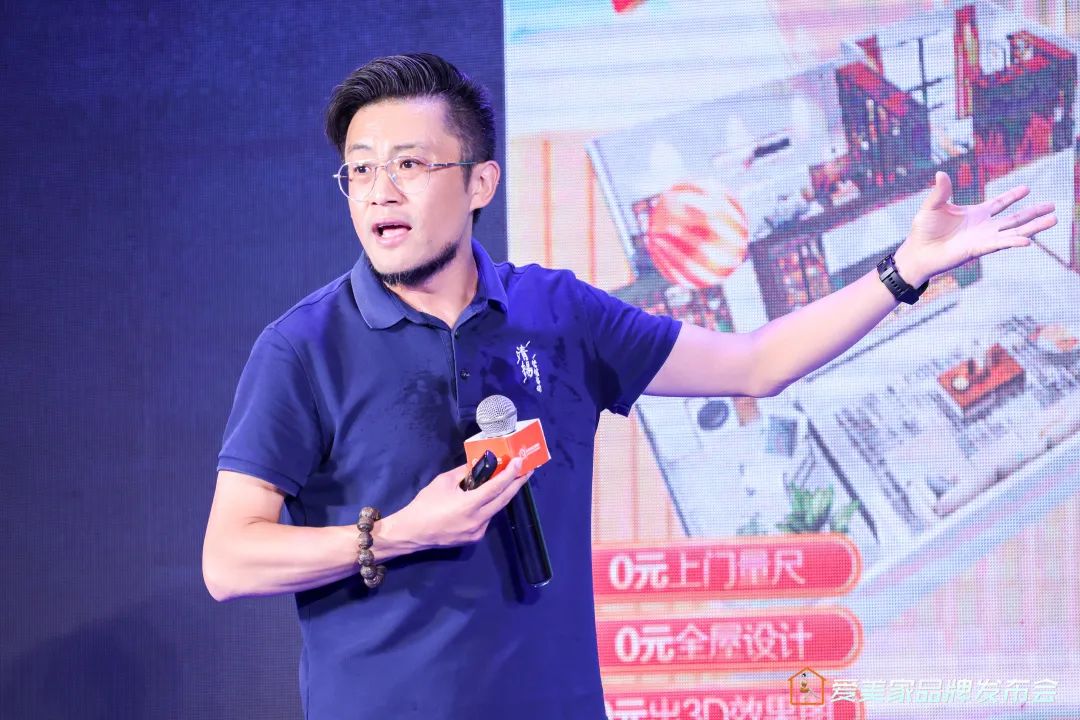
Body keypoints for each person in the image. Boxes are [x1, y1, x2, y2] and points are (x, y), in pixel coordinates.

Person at [201, 53, 1056, 719]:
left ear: (479, 182)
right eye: (359, 170)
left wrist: (907, 269)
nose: (379, 193)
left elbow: (755, 362)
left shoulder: (556, 313)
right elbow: (228, 559)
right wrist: (396, 533)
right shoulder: (302, 348)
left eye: (410, 165)